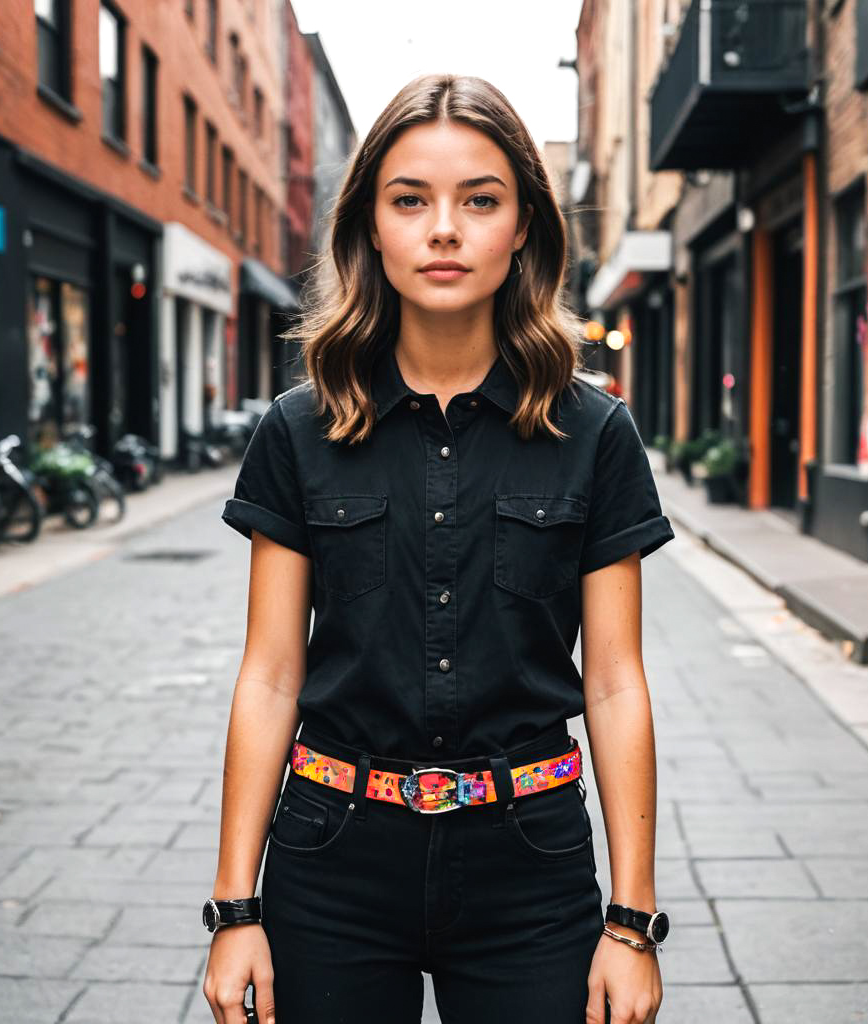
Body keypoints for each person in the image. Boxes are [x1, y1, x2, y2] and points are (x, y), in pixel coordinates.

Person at [203, 73, 674, 1024]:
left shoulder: (594, 432)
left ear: (525, 227)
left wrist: (631, 922)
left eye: (481, 200)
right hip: (331, 855)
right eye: (411, 199)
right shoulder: (300, 430)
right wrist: (235, 910)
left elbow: (616, 682)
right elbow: (268, 675)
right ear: (371, 227)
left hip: (529, 862)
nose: (445, 228)